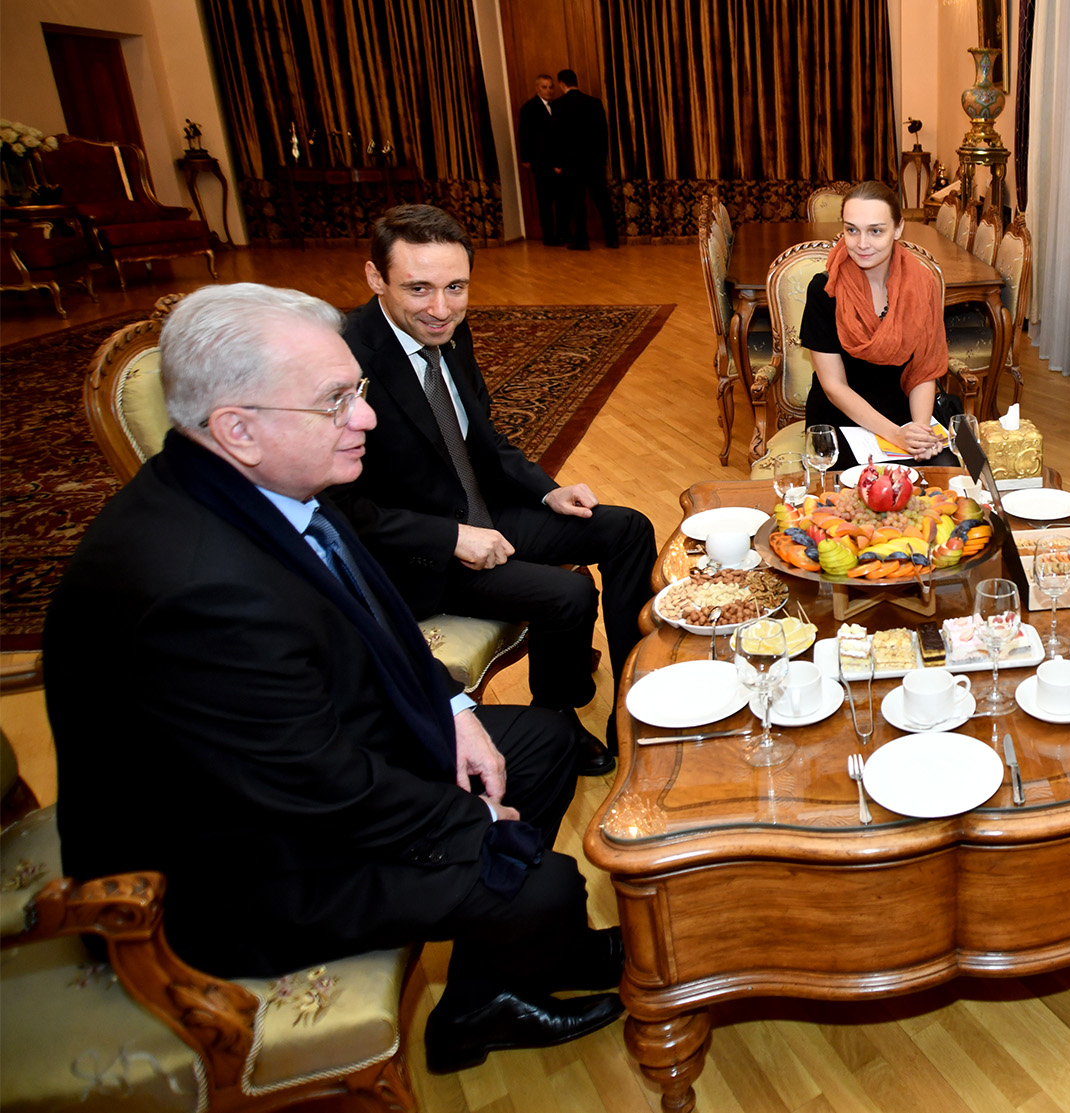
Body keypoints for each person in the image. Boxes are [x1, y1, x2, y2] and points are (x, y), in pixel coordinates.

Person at [44, 284, 626, 1075]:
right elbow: (319, 788)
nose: (368, 417)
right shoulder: (196, 589)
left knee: (545, 741)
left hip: (303, 756)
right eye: (335, 401)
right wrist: (475, 825)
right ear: (238, 428)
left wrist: (454, 704)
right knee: (540, 882)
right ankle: (507, 976)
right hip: (231, 868)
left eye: (358, 389)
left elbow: (373, 614)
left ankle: (489, 989)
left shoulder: (255, 487)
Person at [330, 204, 656, 774]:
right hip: (417, 554)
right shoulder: (342, 358)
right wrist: (451, 537)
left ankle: (635, 695)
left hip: (480, 512)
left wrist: (545, 491)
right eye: (419, 288)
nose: (441, 308)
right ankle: (557, 717)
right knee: (568, 595)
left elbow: (480, 435)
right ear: (375, 277)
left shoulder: (449, 332)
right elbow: (333, 507)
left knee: (628, 528)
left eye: (455, 288)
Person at [800, 180, 958, 471]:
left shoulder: (922, 284)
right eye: (852, 230)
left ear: (898, 229)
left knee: (944, 473)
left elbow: (924, 369)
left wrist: (919, 430)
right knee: (861, 486)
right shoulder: (824, 290)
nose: (862, 243)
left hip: (903, 412)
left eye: (875, 231)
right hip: (840, 419)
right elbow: (834, 386)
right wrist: (895, 435)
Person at [550, 69, 618, 250]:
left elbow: (556, 136)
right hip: (593, 160)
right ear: (576, 81)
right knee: (602, 200)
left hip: (571, 162)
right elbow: (603, 133)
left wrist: (557, 162)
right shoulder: (594, 103)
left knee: (577, 202)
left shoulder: (558, 105)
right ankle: (612, 237)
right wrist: (602, 158)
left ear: (561, 84)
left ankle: (582, 240)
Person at [517, 73, 565, 246]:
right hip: (541, 162)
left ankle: (562, 233)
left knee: (561, 200)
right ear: (537, 88)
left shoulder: (557, 106)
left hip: (558, 162)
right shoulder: (529, 108)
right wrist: (526, 158)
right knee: (545, 201)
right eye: (544, 87)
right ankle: (548, 236)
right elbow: (524, 135)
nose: (549, 91)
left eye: (551, 87)